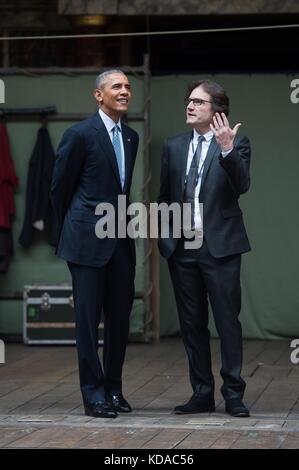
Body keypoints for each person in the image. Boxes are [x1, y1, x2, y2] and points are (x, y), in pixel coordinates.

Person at [158, 79, 251, 417]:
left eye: (198, 102)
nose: (190, 105)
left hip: (221, 248)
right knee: (191, 324)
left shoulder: (236, 143)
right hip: (183, 250)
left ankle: (234, 394)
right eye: (189, 100)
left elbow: (242, 185)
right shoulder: (174, 146)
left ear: (216, 111)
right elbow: (164, 197)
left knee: (227, 321)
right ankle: (201, 392)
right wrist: (166, 238)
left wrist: (226, 150)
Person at [51, 70, 139, 418]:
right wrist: (66, 236)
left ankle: (114, 389)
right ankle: (94, 395)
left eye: (128, 86)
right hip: (85, 241)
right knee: (88, 322)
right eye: (116, 86)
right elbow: (60, 189)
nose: (124, 91)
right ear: (98, 95)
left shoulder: (130, 137)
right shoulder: (79, 134)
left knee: (119, 319)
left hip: (120, 240)